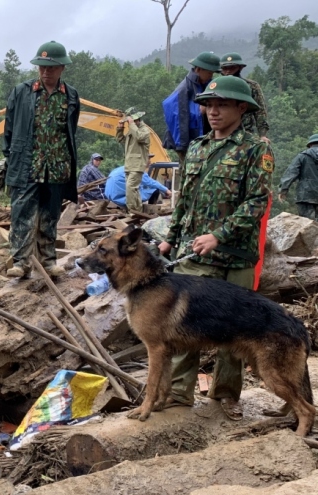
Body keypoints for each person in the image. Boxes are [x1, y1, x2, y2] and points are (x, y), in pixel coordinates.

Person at [158, 76, 273, 421]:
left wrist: (219, 236)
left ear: (241, 108)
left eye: (222, 104)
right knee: (184, 327)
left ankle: (225, 395)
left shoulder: (256, 149)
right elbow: (184, 201)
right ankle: (179, 394)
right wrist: (170, 237)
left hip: (235, 257)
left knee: (235, 331)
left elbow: (256, 202)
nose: (213, 111)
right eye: (208, 105)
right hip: (195, 256)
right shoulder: (197, 148)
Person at [3, 41, 80, 279]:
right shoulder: (22, 92)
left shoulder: (71, 96)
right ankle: (21, 263)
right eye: (42, 67)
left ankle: (48, 261)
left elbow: (71, 130)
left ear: (62, 68)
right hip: (27, 164)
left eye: (51, 67)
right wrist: (11, 157)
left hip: (57, 166)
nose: (46, 71)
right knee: (22, 214)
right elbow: (9, 129)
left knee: (50, 215)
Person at [162, 52, 220, 163]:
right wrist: (182, 147)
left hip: (202, 141)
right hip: (187, 144)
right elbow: (177, 117)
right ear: (198, 69)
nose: (211, 75)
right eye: (209, 72)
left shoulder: (205, 85)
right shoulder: (184, 89)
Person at [219, 53, 269, 143]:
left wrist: (262, 135)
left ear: (240, 68)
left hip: (245, 132)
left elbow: (260, 111)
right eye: (225, 68)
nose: (228, 71)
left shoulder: (251, 86)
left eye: (232, 68)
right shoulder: (217, 87)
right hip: (222, 131)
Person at [116, 109, 151, 212]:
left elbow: (140, 137)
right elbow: (121, 140)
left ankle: (132, 211)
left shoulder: (144, 130)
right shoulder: (132, 131)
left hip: (137, 165)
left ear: (137, 119)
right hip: (129, 165)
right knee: (133, 190)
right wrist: (120, 128)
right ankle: (137, 210)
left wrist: (131, 124)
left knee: (130, 187)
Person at [279, 134, 318, 220]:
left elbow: (291, 173)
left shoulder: (302, 156)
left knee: (307, 223)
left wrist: (283, 190)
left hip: (305, 196)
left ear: (310, 144)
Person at [103, 166, 170, 208]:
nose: (150, 161)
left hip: (109, 195)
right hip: (120, 198)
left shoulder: (120, 169)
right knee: (155, 190)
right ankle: (151, 208)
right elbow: (150, 182)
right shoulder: (137, 170)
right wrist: (167, 190)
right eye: (148, 159)